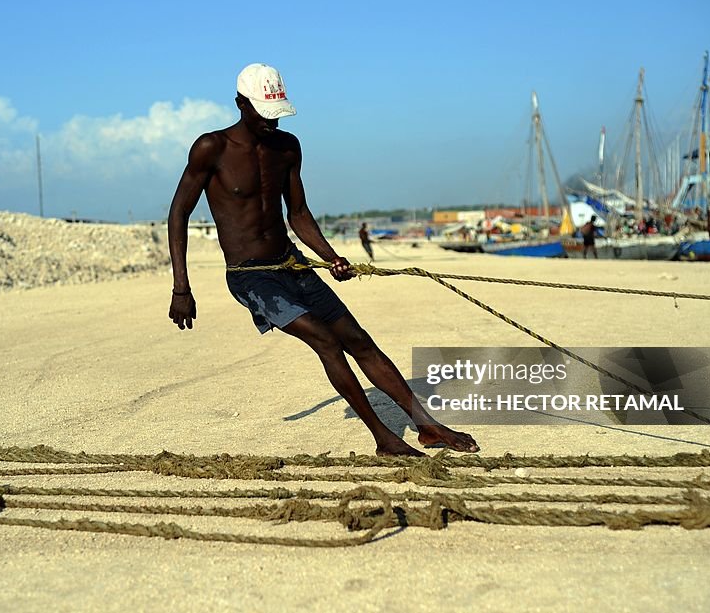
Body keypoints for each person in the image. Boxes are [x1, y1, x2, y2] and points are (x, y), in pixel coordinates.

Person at [167, 63, 478, 457]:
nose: (271, 122)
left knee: (359, 341)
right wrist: (181, 287)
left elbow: (298, 214)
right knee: (326, 342)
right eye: (263, 113)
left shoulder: (287, 148)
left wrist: (332, 257)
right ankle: (384, 438)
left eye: (276, 113)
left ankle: (428, 425)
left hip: (292, 264)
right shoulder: (211, 148)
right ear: (240, 104)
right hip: (252, 277)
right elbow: (178, 212)